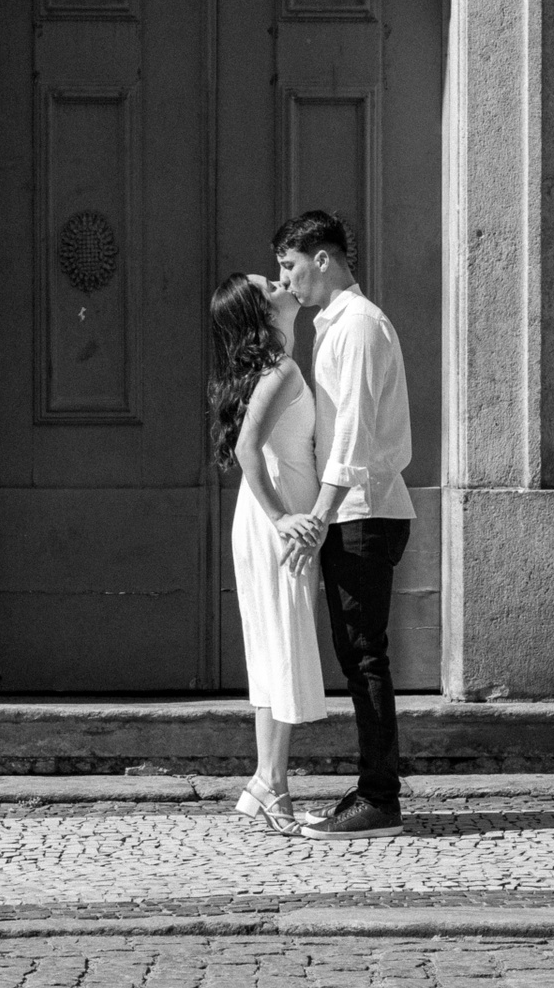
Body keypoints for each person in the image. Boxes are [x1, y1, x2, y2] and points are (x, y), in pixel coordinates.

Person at [272, 210, 413, 841]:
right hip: (355, 512)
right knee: (359, 658)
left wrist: (318, 518)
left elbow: (352, 435)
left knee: (365, 658)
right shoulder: (335, 325)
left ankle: (380, 800)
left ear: (322, 259)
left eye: (291, 266)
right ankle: (371, 789)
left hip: (363, 513)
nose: (286, 280)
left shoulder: (357, 325)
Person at [207, 272, 330, 834]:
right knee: (278, 646)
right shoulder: (280, 371)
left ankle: (267, 782)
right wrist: (282, 518)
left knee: (275, 649)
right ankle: (269, 782)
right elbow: (246, 447)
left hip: (271, 520)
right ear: (262, 312)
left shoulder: (277, 369)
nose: (284, 282)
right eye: (271, 285)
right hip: (275, 523)